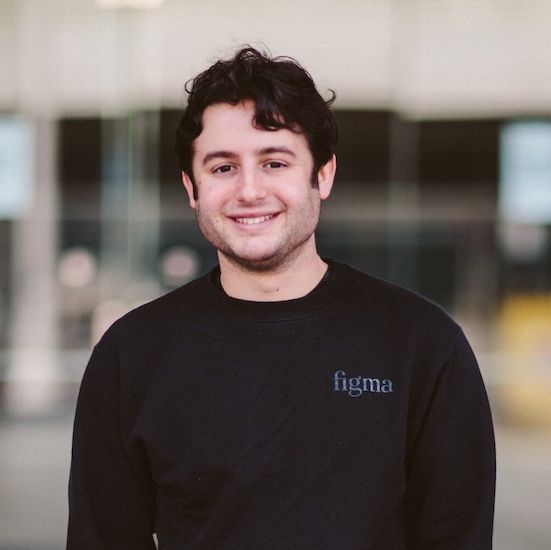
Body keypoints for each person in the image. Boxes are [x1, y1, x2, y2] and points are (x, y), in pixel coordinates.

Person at [67, 47, 495, 549]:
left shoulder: (421, 344)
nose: (250, 191)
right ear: (192, 187)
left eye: (274, 162)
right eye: (222, 168)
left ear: (323, 175)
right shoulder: (132, 354)